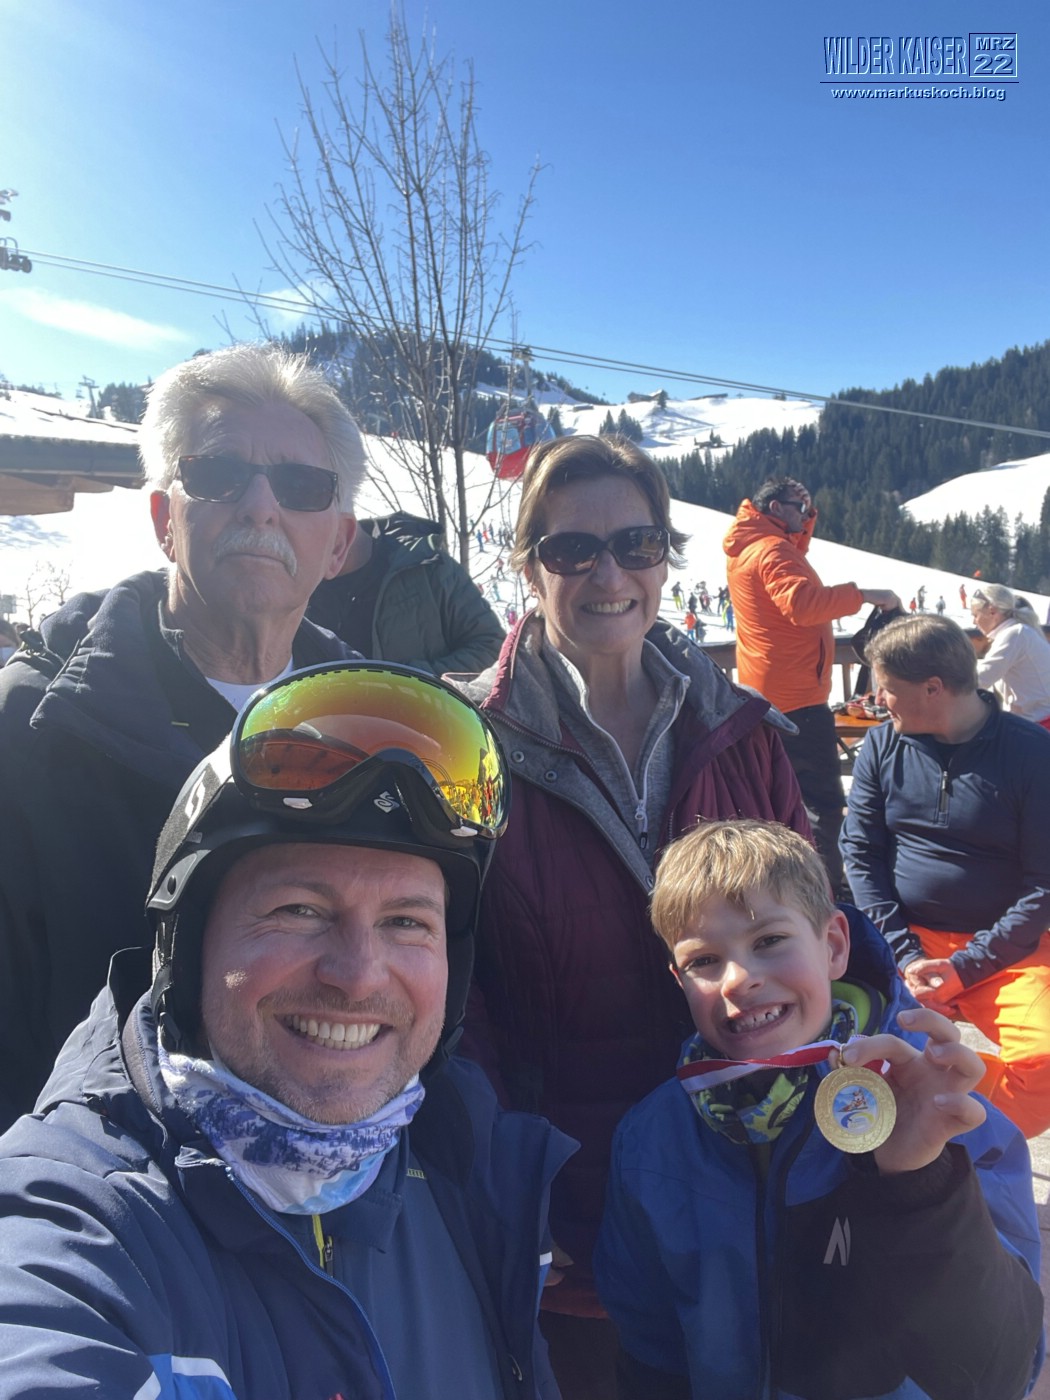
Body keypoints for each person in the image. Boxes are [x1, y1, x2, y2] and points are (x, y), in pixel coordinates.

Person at [0, 661, 573, 1399]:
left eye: (406, 922)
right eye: (299, 910)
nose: (358, 976)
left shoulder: (470, 1161)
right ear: (189, 945)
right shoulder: (86, 1222)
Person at [454, 435, 811, 1396]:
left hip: (753, 1188)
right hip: (576, 1221)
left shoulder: (739, 733)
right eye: (572, 549)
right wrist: (507, 1182)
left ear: (664, 559)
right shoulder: (467, 748)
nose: (608, 574)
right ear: (528, 567)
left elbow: (817, 932)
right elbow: (450, 993)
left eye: (636, 544)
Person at [0, 343, 363, 1130]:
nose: (260, 506)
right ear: (166, 520)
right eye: (219, 474)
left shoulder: (380, 742)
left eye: (301, 486)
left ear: (338, 543)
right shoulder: (31, 728)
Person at [594, 819, 1043, 1400]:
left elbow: (999, 1373)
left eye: (769, 941)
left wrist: (919, 1180)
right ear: (679, 981)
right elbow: (650, 1343)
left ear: (832, 944)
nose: (739, 980)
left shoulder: (934, 1110)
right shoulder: (651, 1139)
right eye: (705, 961)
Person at [841, 615, 1050, 1138]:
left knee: (1044, 1064)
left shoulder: (1032, 753)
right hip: (900, 942)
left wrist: (967, 965)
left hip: (1005, 951)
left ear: (933, 688)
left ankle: (952, 1143)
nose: (877, 701)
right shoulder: (883, 745)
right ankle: (912, 1140)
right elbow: (860, 854)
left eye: (887, 688)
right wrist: (905, 952)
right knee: (845, 1045)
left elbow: (1043, 884)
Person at [723, 476, 900, 893]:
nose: (805, 517)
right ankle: (825, 893)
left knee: (782, 798)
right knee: (822, 803)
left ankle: (788, 888)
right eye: (799, 509)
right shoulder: (771, 550)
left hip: (768, 692)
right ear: (774, 509)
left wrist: (804, 518)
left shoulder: (753, 545)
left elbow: (792, 561)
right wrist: (866, 594)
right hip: (797, 697)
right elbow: (802, 604)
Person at [309, 511, 504, 676]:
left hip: (431, 711)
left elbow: (494, 650)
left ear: (342, 535)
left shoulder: (427, 567)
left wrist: (408, 684)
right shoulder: (300, 593)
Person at [970, 582, 1050, 728]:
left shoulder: (1015, 634)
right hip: (1035, 721)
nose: (974, 621)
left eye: (976, 615)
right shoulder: (1020, 632)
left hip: (1037, 724)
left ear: (992, 611)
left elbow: (980, 678)